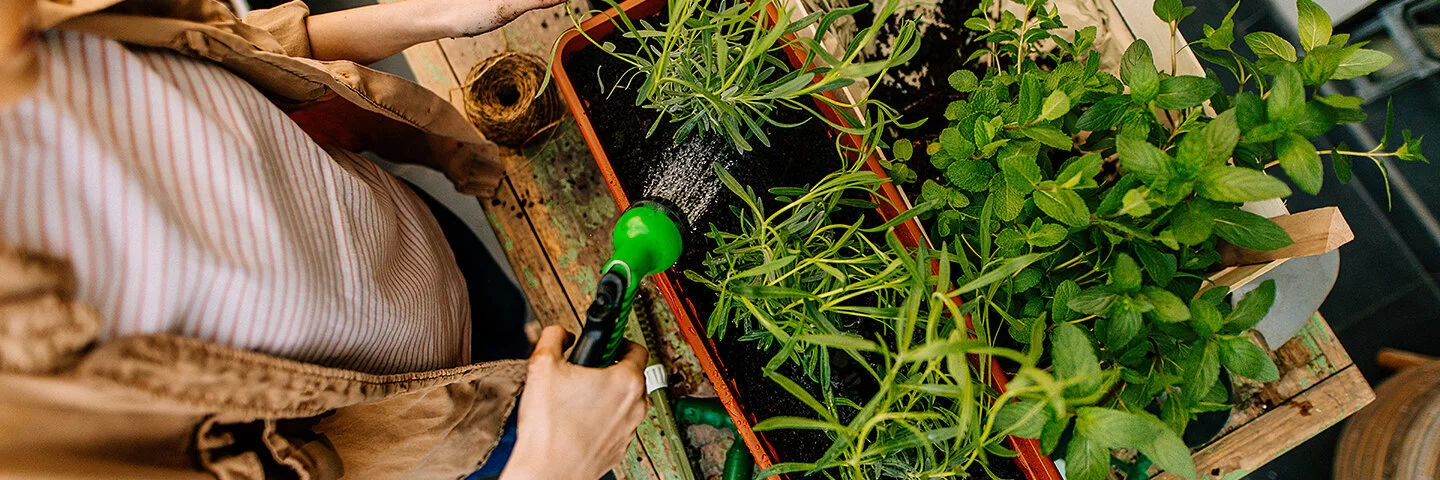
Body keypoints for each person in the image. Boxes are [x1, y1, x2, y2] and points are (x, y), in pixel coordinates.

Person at [0, 0, 649, 478]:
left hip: (418, 247)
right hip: (446, 437)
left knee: (515, 323)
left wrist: (430, 15)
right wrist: (553, 463)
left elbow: (216, 47)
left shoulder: (18, 26)